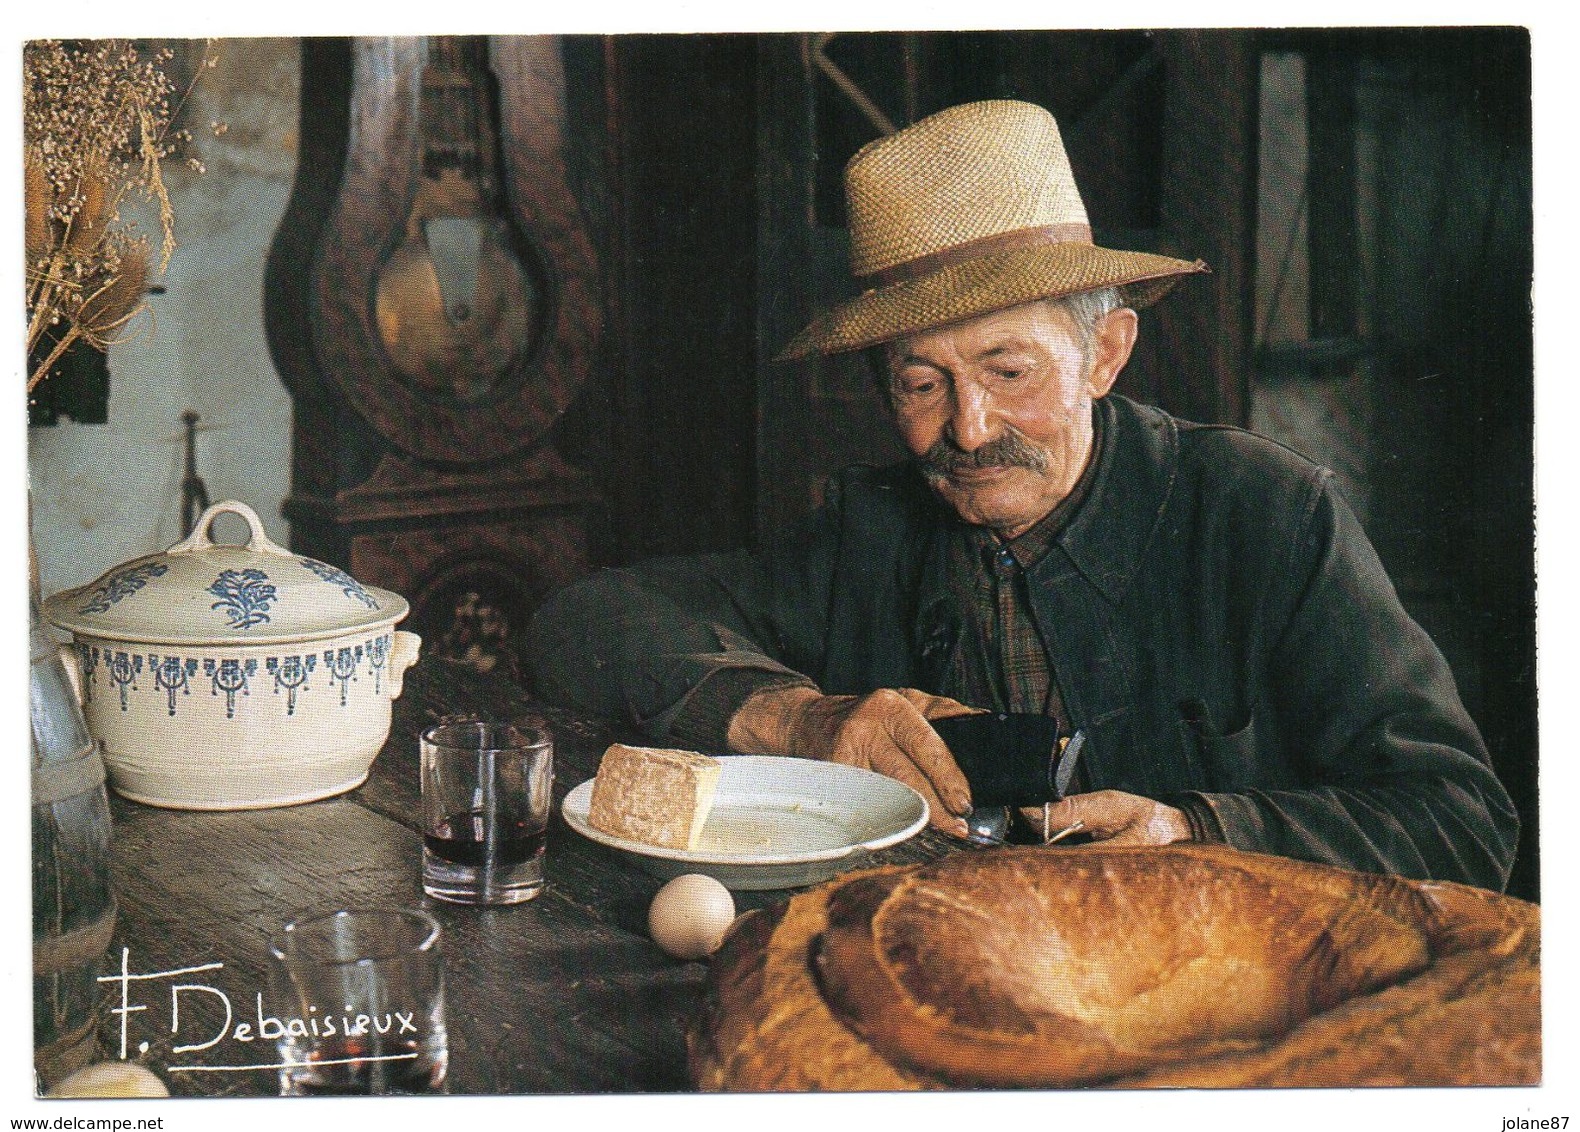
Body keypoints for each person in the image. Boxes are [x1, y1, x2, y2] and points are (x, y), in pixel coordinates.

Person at [528, 100, 1518, 891]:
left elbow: (1461, 821)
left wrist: (1197, 830)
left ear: (1104, 351)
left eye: (1007, 370)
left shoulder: (1262, 514)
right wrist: (796, 721)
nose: (964, 431)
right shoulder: (871, 530)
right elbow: (582, 622)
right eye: (920, 383)